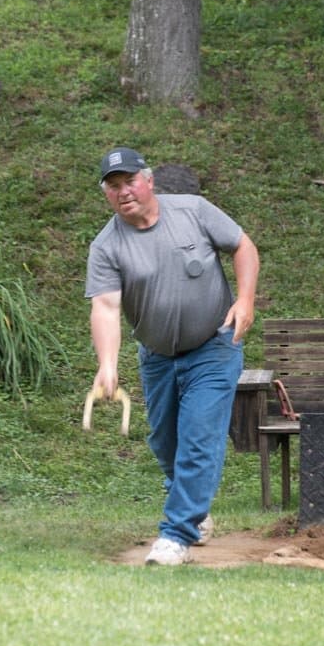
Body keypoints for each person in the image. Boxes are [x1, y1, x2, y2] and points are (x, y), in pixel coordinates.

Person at [86, 146, 260, 566]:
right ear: (106, 195)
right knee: (165, 442)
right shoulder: (107, 246)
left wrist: (246, 299)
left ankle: (176, 534)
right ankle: (192, 505)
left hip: (214, 346)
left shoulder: (193, 211)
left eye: (130, 181)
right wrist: (107, 367)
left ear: (149, 181)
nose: (124, 191)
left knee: (200, 437)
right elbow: (106, 308)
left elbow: (242, 246)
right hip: (159, 356)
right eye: (114, 186)